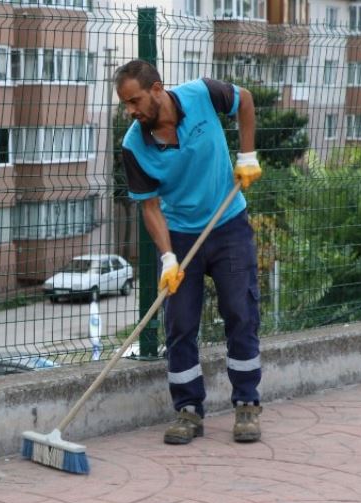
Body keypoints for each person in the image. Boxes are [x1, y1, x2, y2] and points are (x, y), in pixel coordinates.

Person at [115, 60, 263, 445]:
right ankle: (188, 410)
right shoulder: (134, 145)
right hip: (180, 236)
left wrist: (247, 157)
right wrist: (167, 257)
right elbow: (149, 207)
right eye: (125, 104)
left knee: (240, 313)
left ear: (158, 88)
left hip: (228, 223)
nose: (131, 111)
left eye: (134, 101)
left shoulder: (201, 93)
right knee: (179, 326)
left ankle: (246, 403)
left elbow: (244, 100)